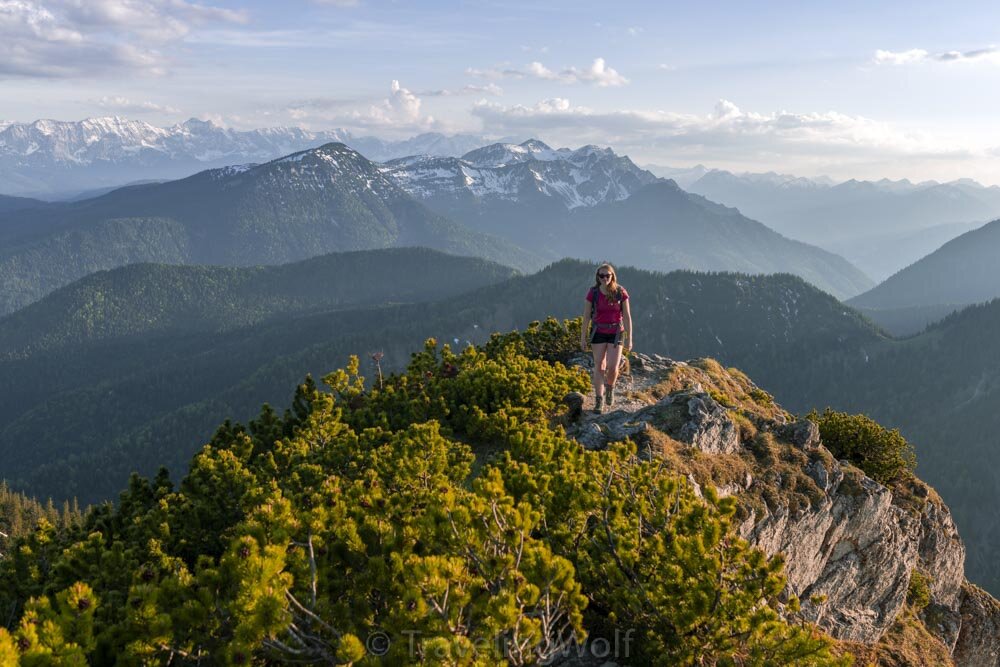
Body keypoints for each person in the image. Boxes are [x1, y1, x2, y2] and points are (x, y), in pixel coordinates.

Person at [581, 263, 632, 413]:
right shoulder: (593, 293)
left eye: (607, 275)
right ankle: (599, 400)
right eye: (601, 275)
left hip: (616, 332)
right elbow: (586, 317)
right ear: (598, 277)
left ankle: (610, 387)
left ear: (612, 276)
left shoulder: (620, 292)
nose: (604, 278)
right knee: (599, 366)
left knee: (613, 367)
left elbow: (627, 317)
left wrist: (630, 338)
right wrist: (583, 337)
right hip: (598, 332)